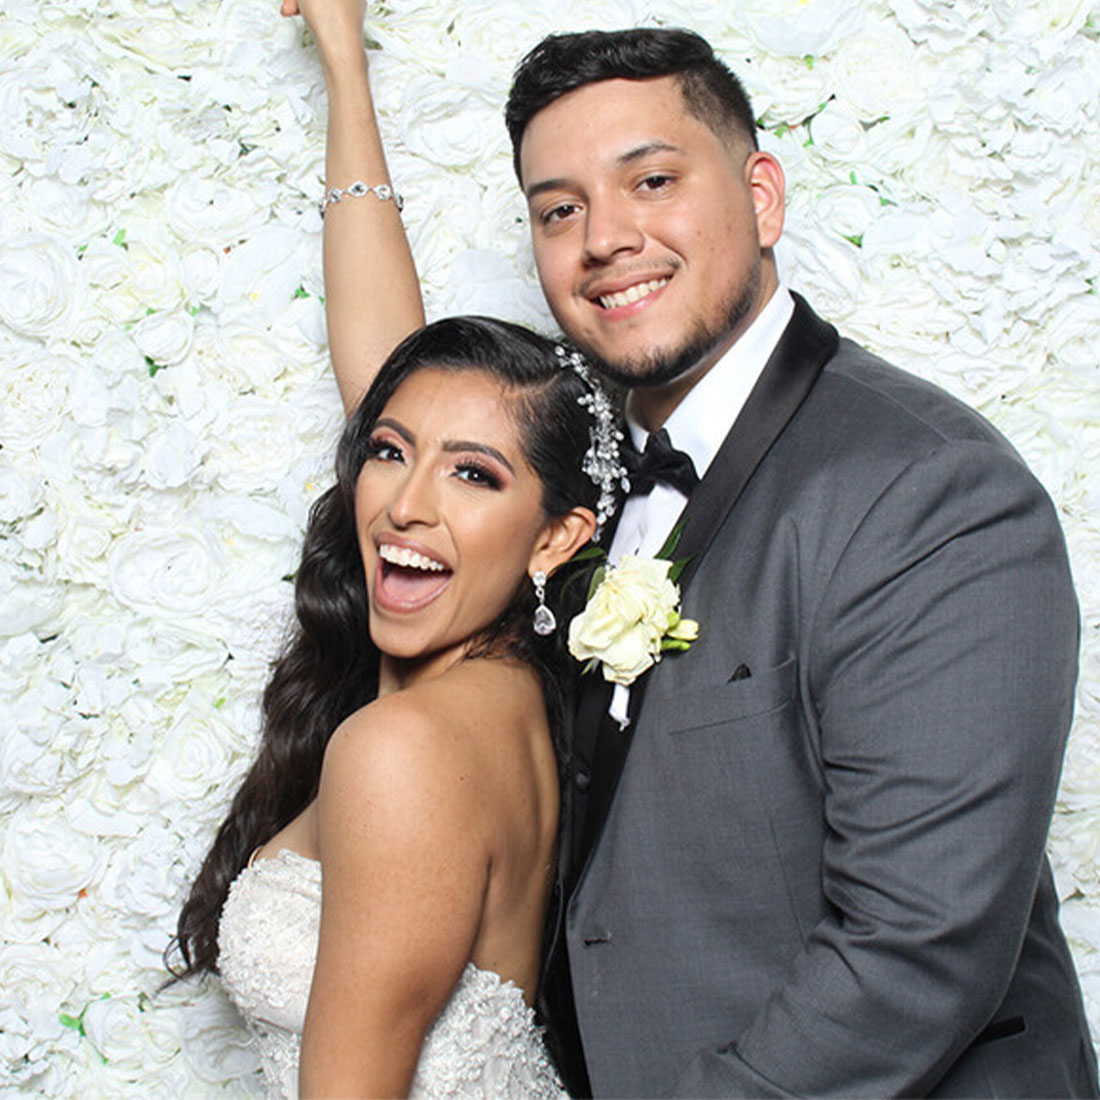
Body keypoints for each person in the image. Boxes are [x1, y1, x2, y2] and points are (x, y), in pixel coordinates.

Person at [326, 20, 1099, 1098]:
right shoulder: (574, 487)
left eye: (649, 180)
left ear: (762, 197)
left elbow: (917, 947)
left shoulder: (927, 488)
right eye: (558, 210)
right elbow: (392, 403)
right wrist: (344, 73)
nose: (602, 237)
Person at [169, 4, 622, 1096]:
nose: (404, 505)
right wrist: (343, 62)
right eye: (385, 453)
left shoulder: (401, 748)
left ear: (557, 533)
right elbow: (399, 384)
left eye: (474, 475)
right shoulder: (512, 693)